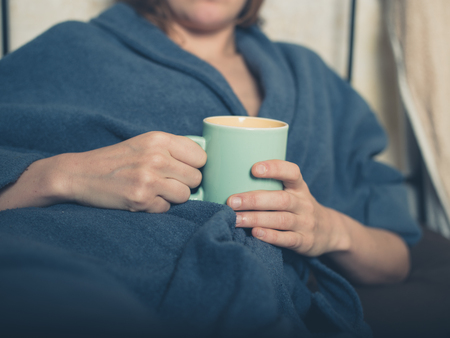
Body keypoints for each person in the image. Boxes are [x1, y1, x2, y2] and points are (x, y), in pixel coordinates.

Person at [0, 0, 429, 337]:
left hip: (249, 302)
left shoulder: (313, 79)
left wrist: (328, 229)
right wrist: (64, 175)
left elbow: (395, 258)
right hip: (67, 264)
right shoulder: (72, 49)